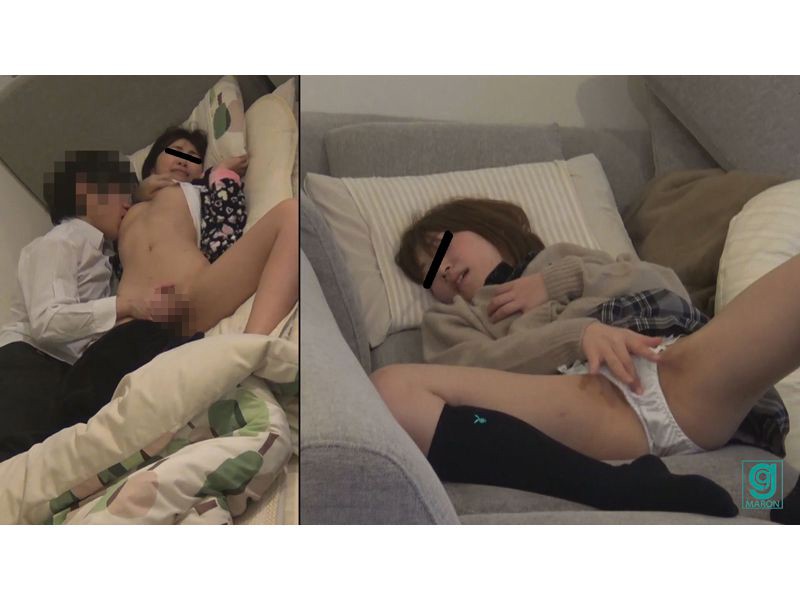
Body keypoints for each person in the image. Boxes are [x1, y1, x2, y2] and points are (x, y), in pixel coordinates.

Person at [371, 197, 800, 521]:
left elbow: (667, 288)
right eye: (429, 273)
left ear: (482, 225)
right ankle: (614, 487)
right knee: (391, 388)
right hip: (589, 398)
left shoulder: (563, 260)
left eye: (442, 246)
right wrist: (577, 336)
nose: (443, 270)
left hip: (676, 364)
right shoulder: (453, 318)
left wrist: (560, 280)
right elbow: (475, 374)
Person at [0, 151, 166, 457]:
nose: (128, 205)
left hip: (66, 373)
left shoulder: (105, 258)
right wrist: (124, 305)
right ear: (86, 191)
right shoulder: (60, 241)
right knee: (12, 460)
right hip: (29, 362)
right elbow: (48, 321)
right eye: (121, 193)